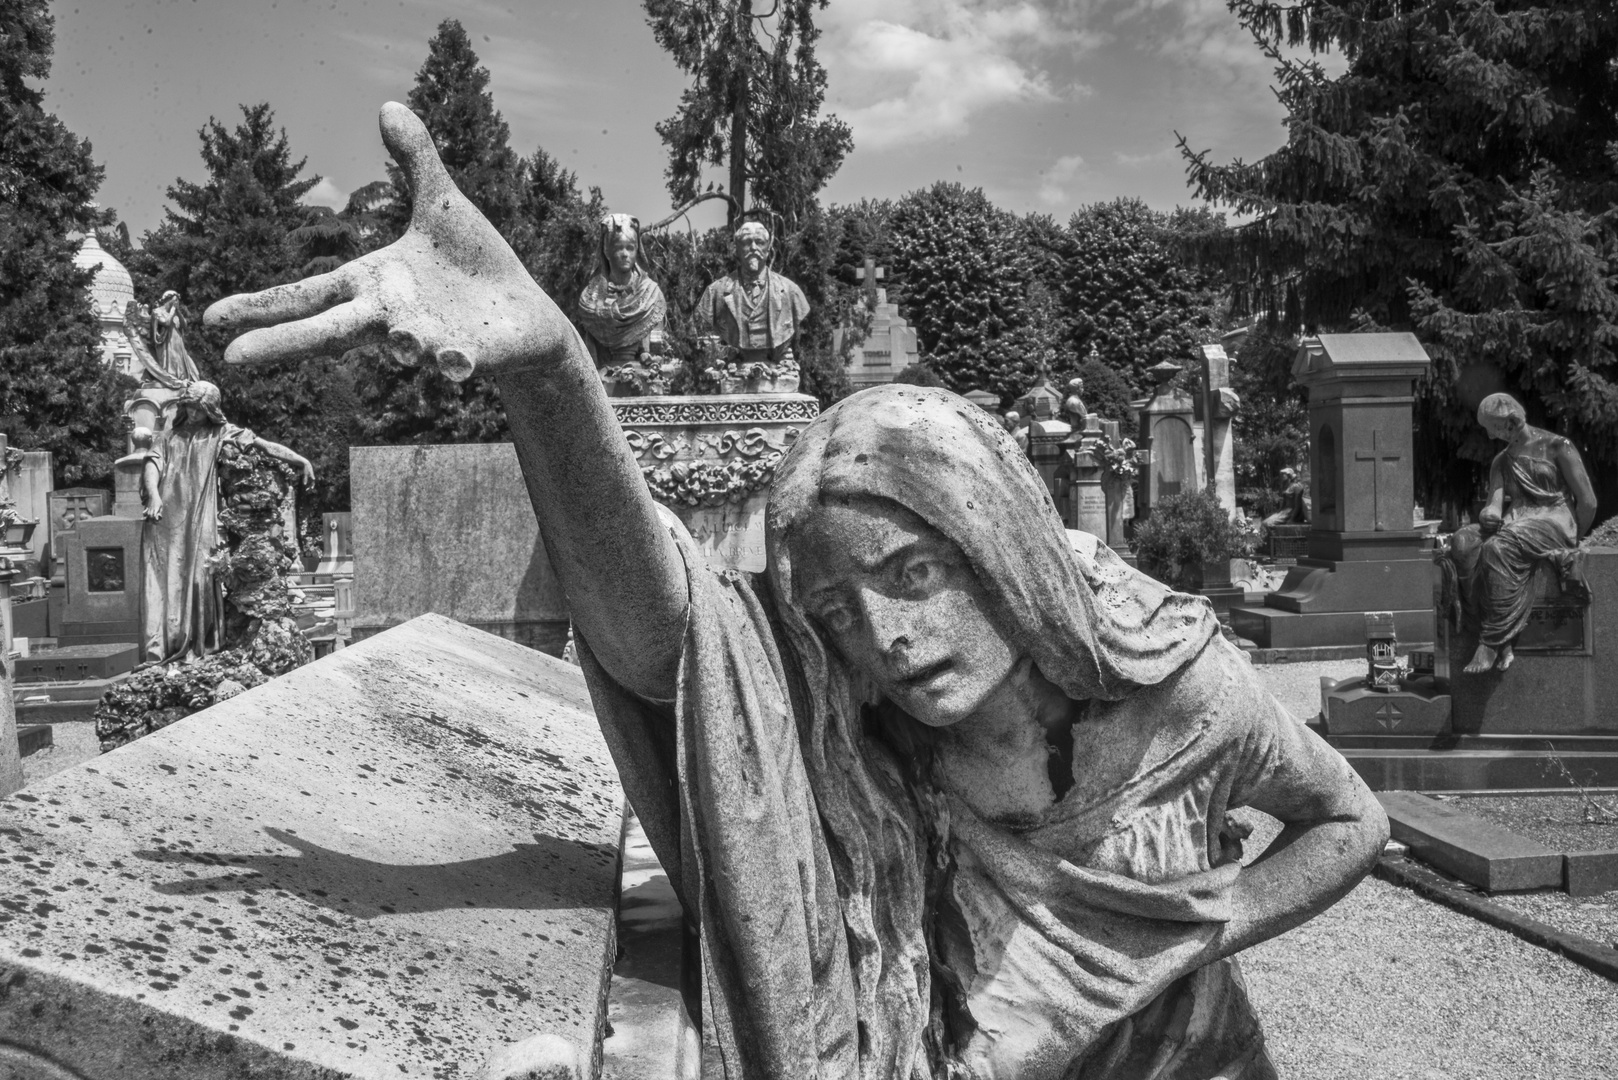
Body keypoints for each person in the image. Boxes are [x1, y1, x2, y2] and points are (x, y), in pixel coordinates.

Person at [204, 104, 1387, 1079]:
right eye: (838, 612)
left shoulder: (1178, 690)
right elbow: (675, 650)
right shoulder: (857, 707)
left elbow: (1350, 822)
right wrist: (554, 379)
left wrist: (1178, 938)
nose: (891, 638)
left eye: (914, 574)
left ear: (999, 551)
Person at [139, 380, 314, 667]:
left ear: (211, 410)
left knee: (201, 576)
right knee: (163, 580)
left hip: (201, 517)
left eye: (199, 409)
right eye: (189, 407)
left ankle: (201, 644)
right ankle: (161, 647)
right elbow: (151, 465)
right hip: (165, 517)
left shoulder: (221, 434)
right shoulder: (166, 437)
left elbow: (262, 445)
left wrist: (299, 460)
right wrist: (154, 496)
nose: (193, 414)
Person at [1452, 393, 1597, 674]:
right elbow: (1493, 506)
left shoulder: (1558, 447)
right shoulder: (1502, 461)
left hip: (1554, 521)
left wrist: (1572, 538)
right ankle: (1490, 629)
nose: (1491, 435)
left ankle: (1492, 641)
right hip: (1516, 521)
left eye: (1492, 428)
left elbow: (1588, 502)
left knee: (1498, 547)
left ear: (1512, 422)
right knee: (1463, 542)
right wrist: (1489, 515)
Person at [695, 220, 810, 367]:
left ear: (768, 249)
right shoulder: (715, 292)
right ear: (737, 249)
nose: (753, 247)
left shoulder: (791, 292)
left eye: (760, 242)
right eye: (747, 242)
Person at [574, 213, 667, 370]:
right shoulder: (589, 300)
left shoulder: (651, 294)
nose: (625, 254)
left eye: (630, 248)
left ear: (637, 251)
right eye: (618, 248)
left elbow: (657, 342)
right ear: (606, 251)